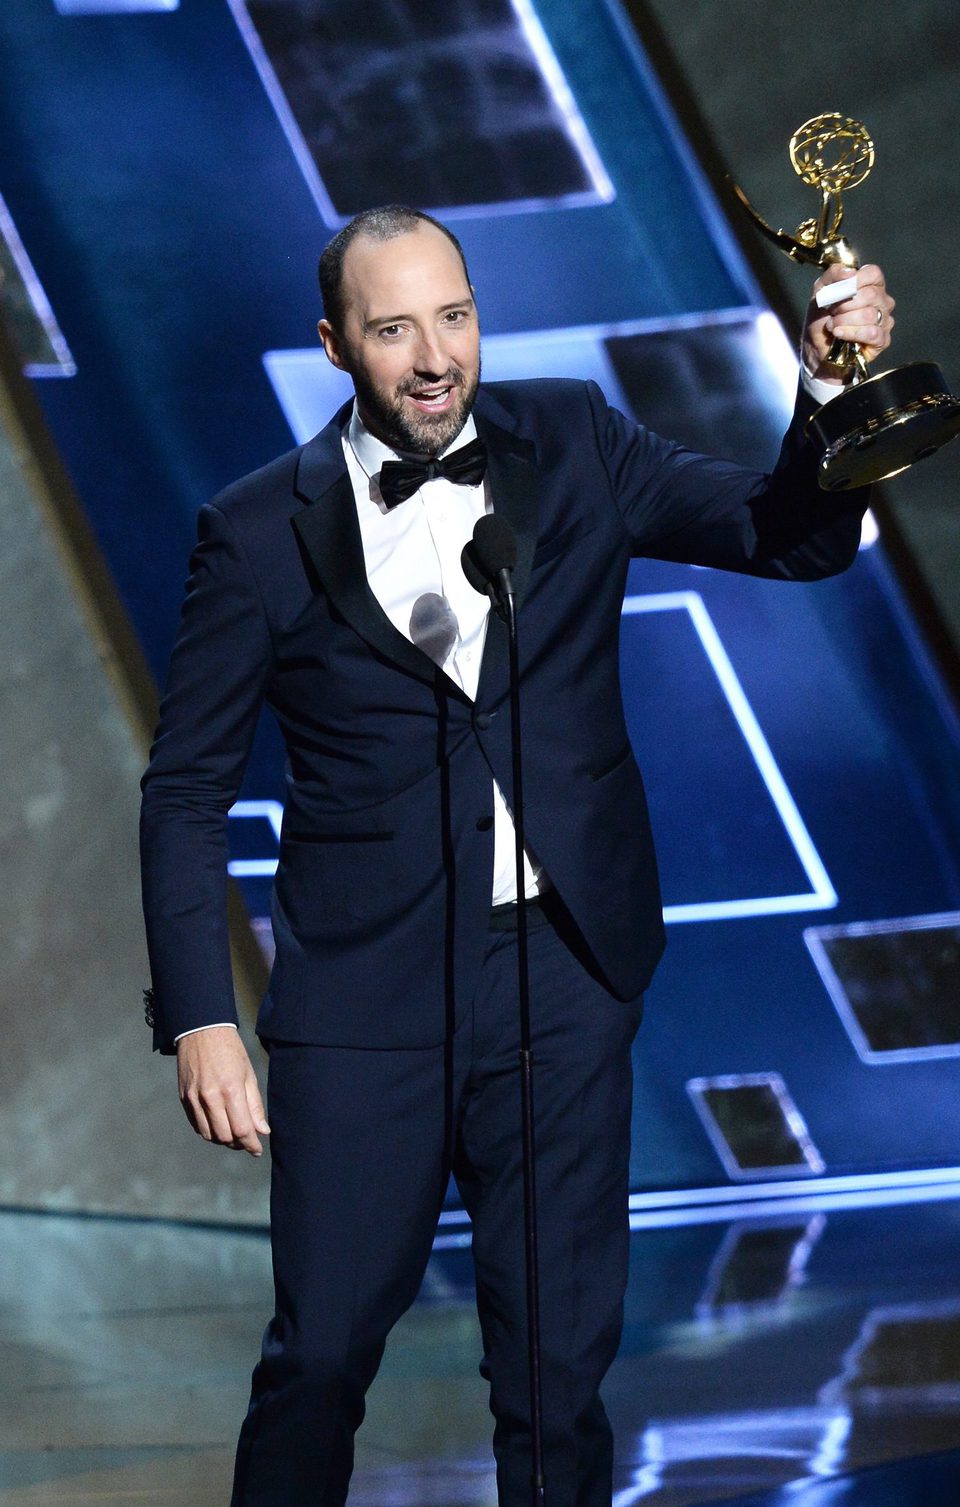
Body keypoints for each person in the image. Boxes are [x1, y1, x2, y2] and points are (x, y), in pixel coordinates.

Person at [140, 205, 895, 1506]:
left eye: (456, 316)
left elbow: (794, 537)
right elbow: (185, 790)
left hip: (562, 975)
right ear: (335, 345)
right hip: (363, 1008)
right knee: (320, 1360)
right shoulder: (257, 530)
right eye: (393, 329)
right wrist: (201, 1019)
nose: (435, 357)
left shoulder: (576, 439)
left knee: (555, 1377)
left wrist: (833, 391)